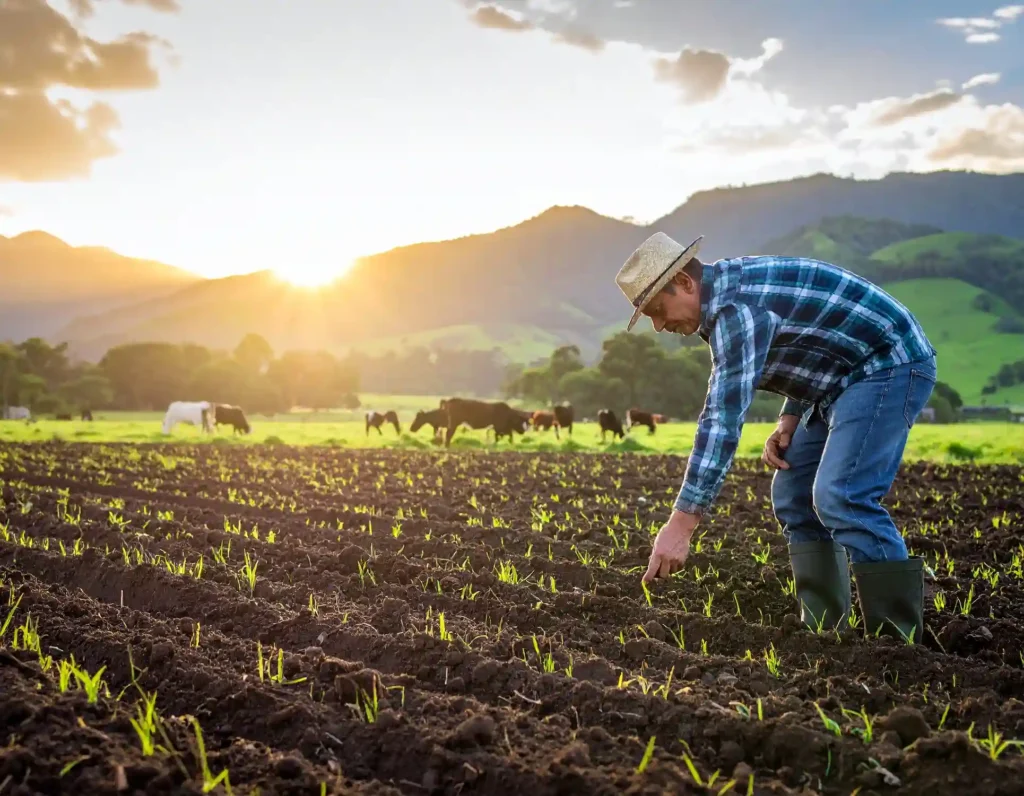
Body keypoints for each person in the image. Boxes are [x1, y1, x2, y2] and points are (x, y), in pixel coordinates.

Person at [615, 231, 937, 642]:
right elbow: (814, 339)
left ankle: (898, 641)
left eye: (658, 310)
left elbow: (721, 420)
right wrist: (790, 415)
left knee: (841, 495)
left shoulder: (736, 311)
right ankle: (824, 633)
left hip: (888, 363)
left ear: (684, 281)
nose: (659, 326)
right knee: (792, 492)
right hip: (838, 379)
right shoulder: (728, 297)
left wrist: (681, 525)